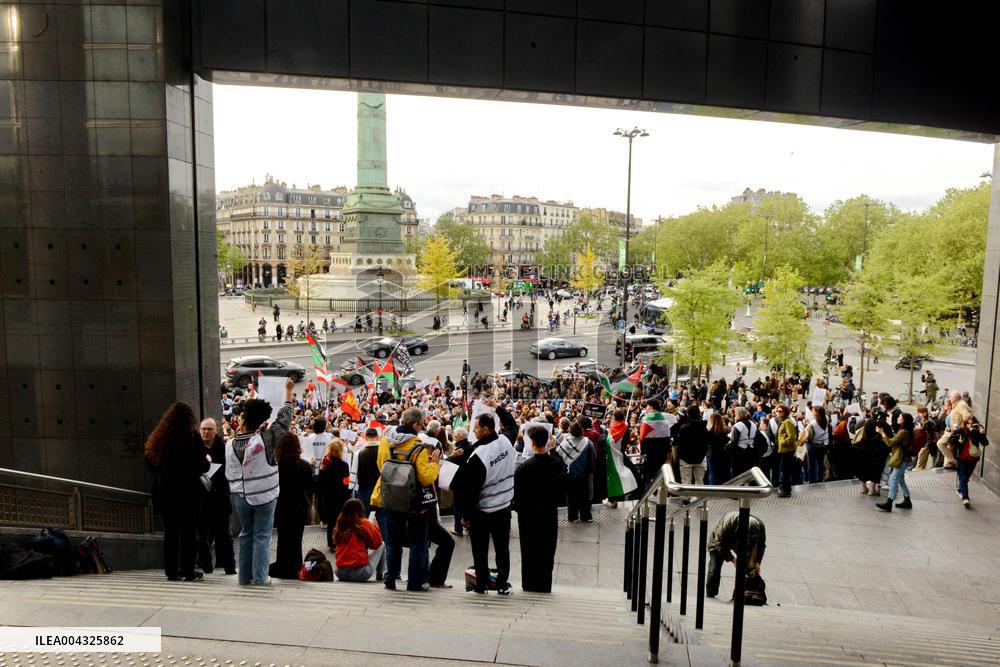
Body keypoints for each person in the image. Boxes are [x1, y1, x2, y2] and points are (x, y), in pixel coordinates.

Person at [225, 376, 294, 586]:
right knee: (262, 536)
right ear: (262, 422)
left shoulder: (230, 443)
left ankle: (244, 577)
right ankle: (260, 577)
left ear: (242, 420)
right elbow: (285, 420)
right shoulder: (266, 439)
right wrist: (288, 392)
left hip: (240, 497)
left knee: (246, 534)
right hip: (265, 494)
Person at [370, 407, 441, 592]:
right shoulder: (417, 446)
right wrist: (434, 463)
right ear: (415, 425)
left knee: (393, 542)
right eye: (421, 424)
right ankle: (415, 583)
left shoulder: (385, 441)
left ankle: (390, 578)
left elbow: (381, 467)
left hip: (391, 498)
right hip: (414, 503)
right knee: (418, 543)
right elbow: (426, 478)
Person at [145, 402, 211, 582]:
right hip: (188, 492)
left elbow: (149, 462)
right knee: (189, 532)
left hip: (165, 493)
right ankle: (188, 570)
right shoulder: (191, 438)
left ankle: (172, 571)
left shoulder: (159, 438)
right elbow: (202, 465)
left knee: (171, 533)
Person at [454, 413, 516, 596]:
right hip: (504, 506)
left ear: (486, 429)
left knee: (480, 550)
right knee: (502, 548)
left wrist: (465, 516)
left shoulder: (478, 456)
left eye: (477, 427)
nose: (473, 430)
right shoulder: (506, 441)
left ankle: (481, 586)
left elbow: (470, 491)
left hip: (484, 510)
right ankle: (503, 585)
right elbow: (512, 424)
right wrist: (497, 408)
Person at [514, 425, 565, 593]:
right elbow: (561, 490)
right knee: (547, 550)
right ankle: (544, 585)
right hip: (548, 514)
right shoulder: (556, 464)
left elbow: (518, 497)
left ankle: (529, 584)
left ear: (532, 443)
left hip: (528, 516)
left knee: (529, 551)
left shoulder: (523, 468)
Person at [269, 433, 314, 579]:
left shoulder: (276, 467)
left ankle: (282, 565)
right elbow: (310, 487)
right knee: (296, 539)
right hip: (299, 506)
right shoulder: (305, 465)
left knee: (283, 538)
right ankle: (295, 566)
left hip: (281, 505)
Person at [196, 418, 235, 575]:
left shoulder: (224, 448)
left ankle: (229, 567)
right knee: (201, 534)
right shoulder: (195, 448)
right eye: (203, 429)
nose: (205, 432)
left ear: (216, 430)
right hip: (201, 498)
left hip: (219, 496)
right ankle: (206, 565)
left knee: (224, 534)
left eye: (209, 429)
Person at [706, 510, 766, 599]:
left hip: (740, 541)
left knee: (750, 568)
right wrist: (733, 560)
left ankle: (744, 592)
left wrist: (757, 562)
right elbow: (718, 543)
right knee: (715, 567)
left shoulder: (760, 526)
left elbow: (761, 545)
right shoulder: (728, 523)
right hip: (720, 540)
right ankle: (711, 592)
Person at [333, 498, 386, 582]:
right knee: (382, 544)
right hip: (360, 573)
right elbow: (376, 543)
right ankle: (381, 573)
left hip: (340, 572)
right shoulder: (363, 522)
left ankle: (381, 573)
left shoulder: (340, 524)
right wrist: (374, 526)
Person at [555, 421, 596, 522]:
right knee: (584, 496)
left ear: (571, 431)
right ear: (581, 430)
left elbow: (558, 454)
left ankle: (572, 517)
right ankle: (585, 516)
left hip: (569, 475)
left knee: (571, 498)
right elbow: (594, 456)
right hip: (583, 475)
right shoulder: (588, 442)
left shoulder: (565, 443)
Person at [875, 412, 914, 512]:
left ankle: (889, 503)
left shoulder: (903, 432)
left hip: (901, 458)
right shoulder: (905, 430)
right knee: (900, 479)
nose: (898, 418)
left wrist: (882, 433)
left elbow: (890, 443)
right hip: (904, 458)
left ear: (904, 420)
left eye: (900, 417)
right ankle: (907, 500)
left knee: (893, 479)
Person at [316, 438, 351, 550]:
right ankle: (340, 542)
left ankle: (331, 543)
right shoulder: (344, 465)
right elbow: (346, 482)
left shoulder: (324, 463)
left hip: (327, 496)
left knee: (331, 521)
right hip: (340, 496)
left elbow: (320, 481)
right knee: (340, 520)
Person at [949, 416, 988, 508]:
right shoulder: (961, 431)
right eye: (968, 423)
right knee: (963, 478)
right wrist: (958, 441)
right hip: (961, 459)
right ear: (965, 424)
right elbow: (951, 439)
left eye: (972, 423)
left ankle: (959, 489)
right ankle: (965, 498)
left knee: (966, 478)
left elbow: (985, 443)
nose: (970, 425)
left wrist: (982, 433)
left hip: (972, 460)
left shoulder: (977, 432)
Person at [638, 399, 671, 491]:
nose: (646, 408)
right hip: (662, 451)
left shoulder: (647, 418)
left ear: (651, 407)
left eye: (647, 406)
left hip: (650, 451)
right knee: (660, 473)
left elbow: (642, 437)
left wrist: (642, 451)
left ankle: (648, 493)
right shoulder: (664, 418)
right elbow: (667, 436)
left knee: (648, 474)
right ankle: (661, 492)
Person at [448, 427, 473, 536]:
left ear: (460, 437)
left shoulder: (458, 449)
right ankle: (469, 525)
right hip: (469, 481)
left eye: (456, 436)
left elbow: (449, 463)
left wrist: (451, 457)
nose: (454, 437)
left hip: (458, 482)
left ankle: (458, 528)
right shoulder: (471, 446)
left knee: (458, 506)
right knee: (468, 504)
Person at [675, 405, 708, 484]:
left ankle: (687, 497)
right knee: (700, 481)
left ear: (688, 414)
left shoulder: (684, 428)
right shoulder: (704, 427)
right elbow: (706, 441)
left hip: (686, 459)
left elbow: (680, 444)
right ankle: (700, 496)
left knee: (686, 482)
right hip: (700, 457)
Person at [354, 427, 382, 516]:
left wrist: (354, 488)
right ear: (377, 437)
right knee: (382, 517)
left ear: (365, 437)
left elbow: (354, 472)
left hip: (364, 488)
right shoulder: (384, 451)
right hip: (381, 488)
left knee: (366, 516)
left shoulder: (358, 453)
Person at [801, 406, 830, 484]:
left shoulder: (813, 423)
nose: (812, 412)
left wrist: (804, 438)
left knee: (811, 464)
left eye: (813, 411)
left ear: (817, 413)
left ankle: (812, 480)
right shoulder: (826, 418)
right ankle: (821, 478)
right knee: (821, 463)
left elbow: (810, 438)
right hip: (823, 444)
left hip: (813, 446)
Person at [774, 405, 797, 497]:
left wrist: (783, 443)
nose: (778, 413)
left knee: (786, 470)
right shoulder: (783, 421)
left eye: (780, 411)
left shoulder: (787, 422)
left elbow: (792, 436)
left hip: (787, 450)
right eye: (777, 411)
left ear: (785, 412)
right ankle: (786, 488)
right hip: (783, 449)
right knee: (784, 469)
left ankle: (786, 490)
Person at [705, 411, 731, 484]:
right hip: (724, 454)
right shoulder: (727, 430)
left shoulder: (709, 432)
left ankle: (713, 491)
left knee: (712, 473)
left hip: (712, 454)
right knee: (724, 473)